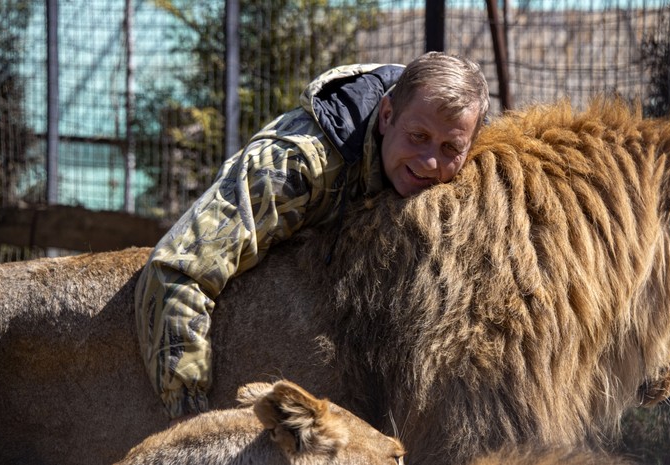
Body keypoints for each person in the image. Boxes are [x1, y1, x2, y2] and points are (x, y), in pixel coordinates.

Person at [134, 51, 490, 422]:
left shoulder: (471, 167)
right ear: (387, 115)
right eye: (418, 137)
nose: (430, 162)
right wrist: (189, 419)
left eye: (450, 148)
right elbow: (178, 271)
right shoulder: (295, 165)